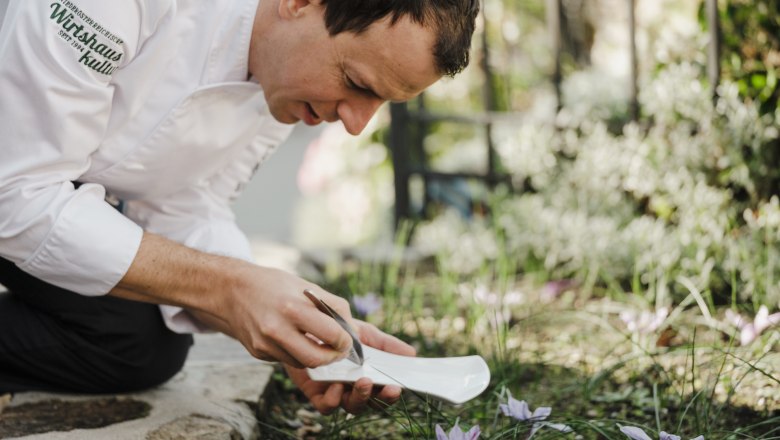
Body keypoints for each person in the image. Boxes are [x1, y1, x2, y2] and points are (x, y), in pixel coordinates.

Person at [0, 0, 478, 415]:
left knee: (137, 345)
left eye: (381, 103)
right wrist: (227, 287)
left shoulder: (284, 79)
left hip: (49, 181)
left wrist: (286, 322)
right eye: (356, 82)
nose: (356, 124)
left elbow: (185, 202)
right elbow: (17, 193)